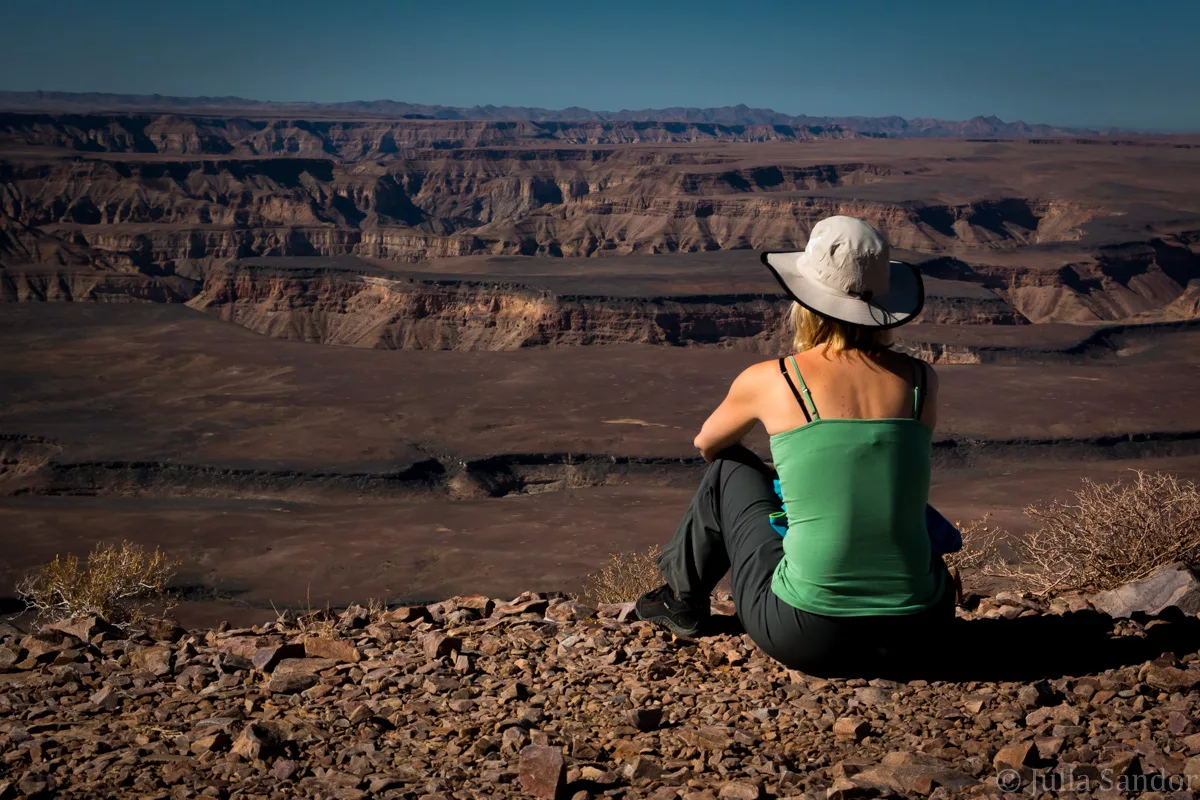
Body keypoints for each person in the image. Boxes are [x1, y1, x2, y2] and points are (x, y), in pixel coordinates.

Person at [635, 215, 956, 676]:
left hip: (810, 634)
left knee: (729, 468)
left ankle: (681, 601)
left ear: (804, 301)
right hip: (922, 631)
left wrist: (780, 474)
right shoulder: (923, 379)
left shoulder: (774, 378)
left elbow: (707, 443)